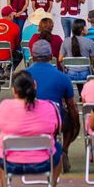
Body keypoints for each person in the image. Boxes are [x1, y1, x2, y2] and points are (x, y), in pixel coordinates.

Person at [0, 71, 63, 187]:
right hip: (43, 162)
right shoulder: (50, 107)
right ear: (35, 85)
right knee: (58, 149)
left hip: (10, 163)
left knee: (1, 149)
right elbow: (57, 129)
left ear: (14, 91)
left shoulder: (5, 106)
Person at [27, 40, 79, 170]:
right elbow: (71, 105)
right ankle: (64, 149)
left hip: (29, 120)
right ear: (51, 57)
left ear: (32, 57)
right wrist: (76, 124)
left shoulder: (23, 75)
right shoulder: (62, 77)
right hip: (55, 121)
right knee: (71, 120)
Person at [59, 19, 94, 83]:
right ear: (82, 30)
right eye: (86, 26)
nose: (87, 28)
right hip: (86, 74)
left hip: (70, 74)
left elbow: (60, 59)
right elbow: (93, 61)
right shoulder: (90, 42)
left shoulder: (66, 41)